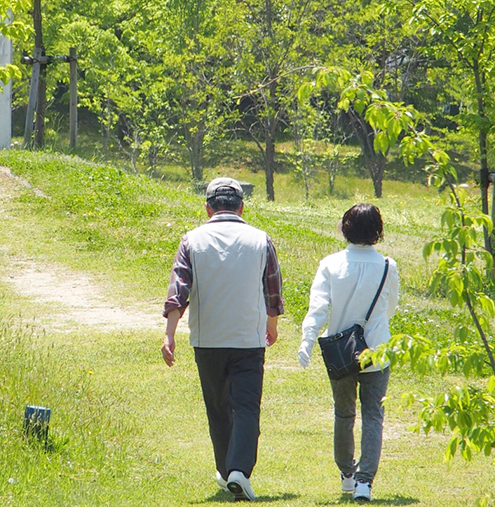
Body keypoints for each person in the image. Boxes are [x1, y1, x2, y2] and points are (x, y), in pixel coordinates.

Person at [162, 177, 284, 502]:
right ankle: (238, 471)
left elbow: (179, 292)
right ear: (242, 207)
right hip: (248, 338)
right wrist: (271, 325)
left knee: (218, 407)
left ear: (207, 208)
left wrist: (169, 335)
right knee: (246, 407)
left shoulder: (192, 240)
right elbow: (273, 289)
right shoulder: (261, 240)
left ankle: (228, 469)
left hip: (208, 339)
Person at [297, 203, 399, 502]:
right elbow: (390, 308)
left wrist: (307, 339)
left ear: (346, 227)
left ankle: (347, 474)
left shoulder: (330, 263)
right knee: (373, 415)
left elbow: (318, 308)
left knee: (343, 413)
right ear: (378, 231)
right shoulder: (387, 266)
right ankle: (365, 482)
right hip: (377, 349)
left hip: (341, 352)